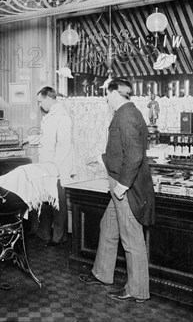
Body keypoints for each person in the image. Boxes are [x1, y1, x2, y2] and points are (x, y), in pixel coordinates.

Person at [79, 78, 155, 303]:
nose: (105, 99)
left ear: (114, 93)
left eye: (106, 94)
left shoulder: (127, 116)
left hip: (125, 187)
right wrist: (101, 159)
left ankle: (138, 290)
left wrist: (122, 186)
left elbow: (134, 155)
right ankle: (102, 274)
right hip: (119, 184)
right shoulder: (126, 113)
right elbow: (121, 151)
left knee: (131, 238)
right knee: (108, 226)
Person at [31, 86, 76, 246]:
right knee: (46, 200)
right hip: (48, 167)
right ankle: (44, 234)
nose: (39, 105)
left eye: (40, 101)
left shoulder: (62, 117)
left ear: (48, 98)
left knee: (57, 202)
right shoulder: (51, 116)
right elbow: (47, 139)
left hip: (57, 168)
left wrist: (53, 166)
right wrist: (30, 140)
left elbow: (63, 145)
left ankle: (59, 237)